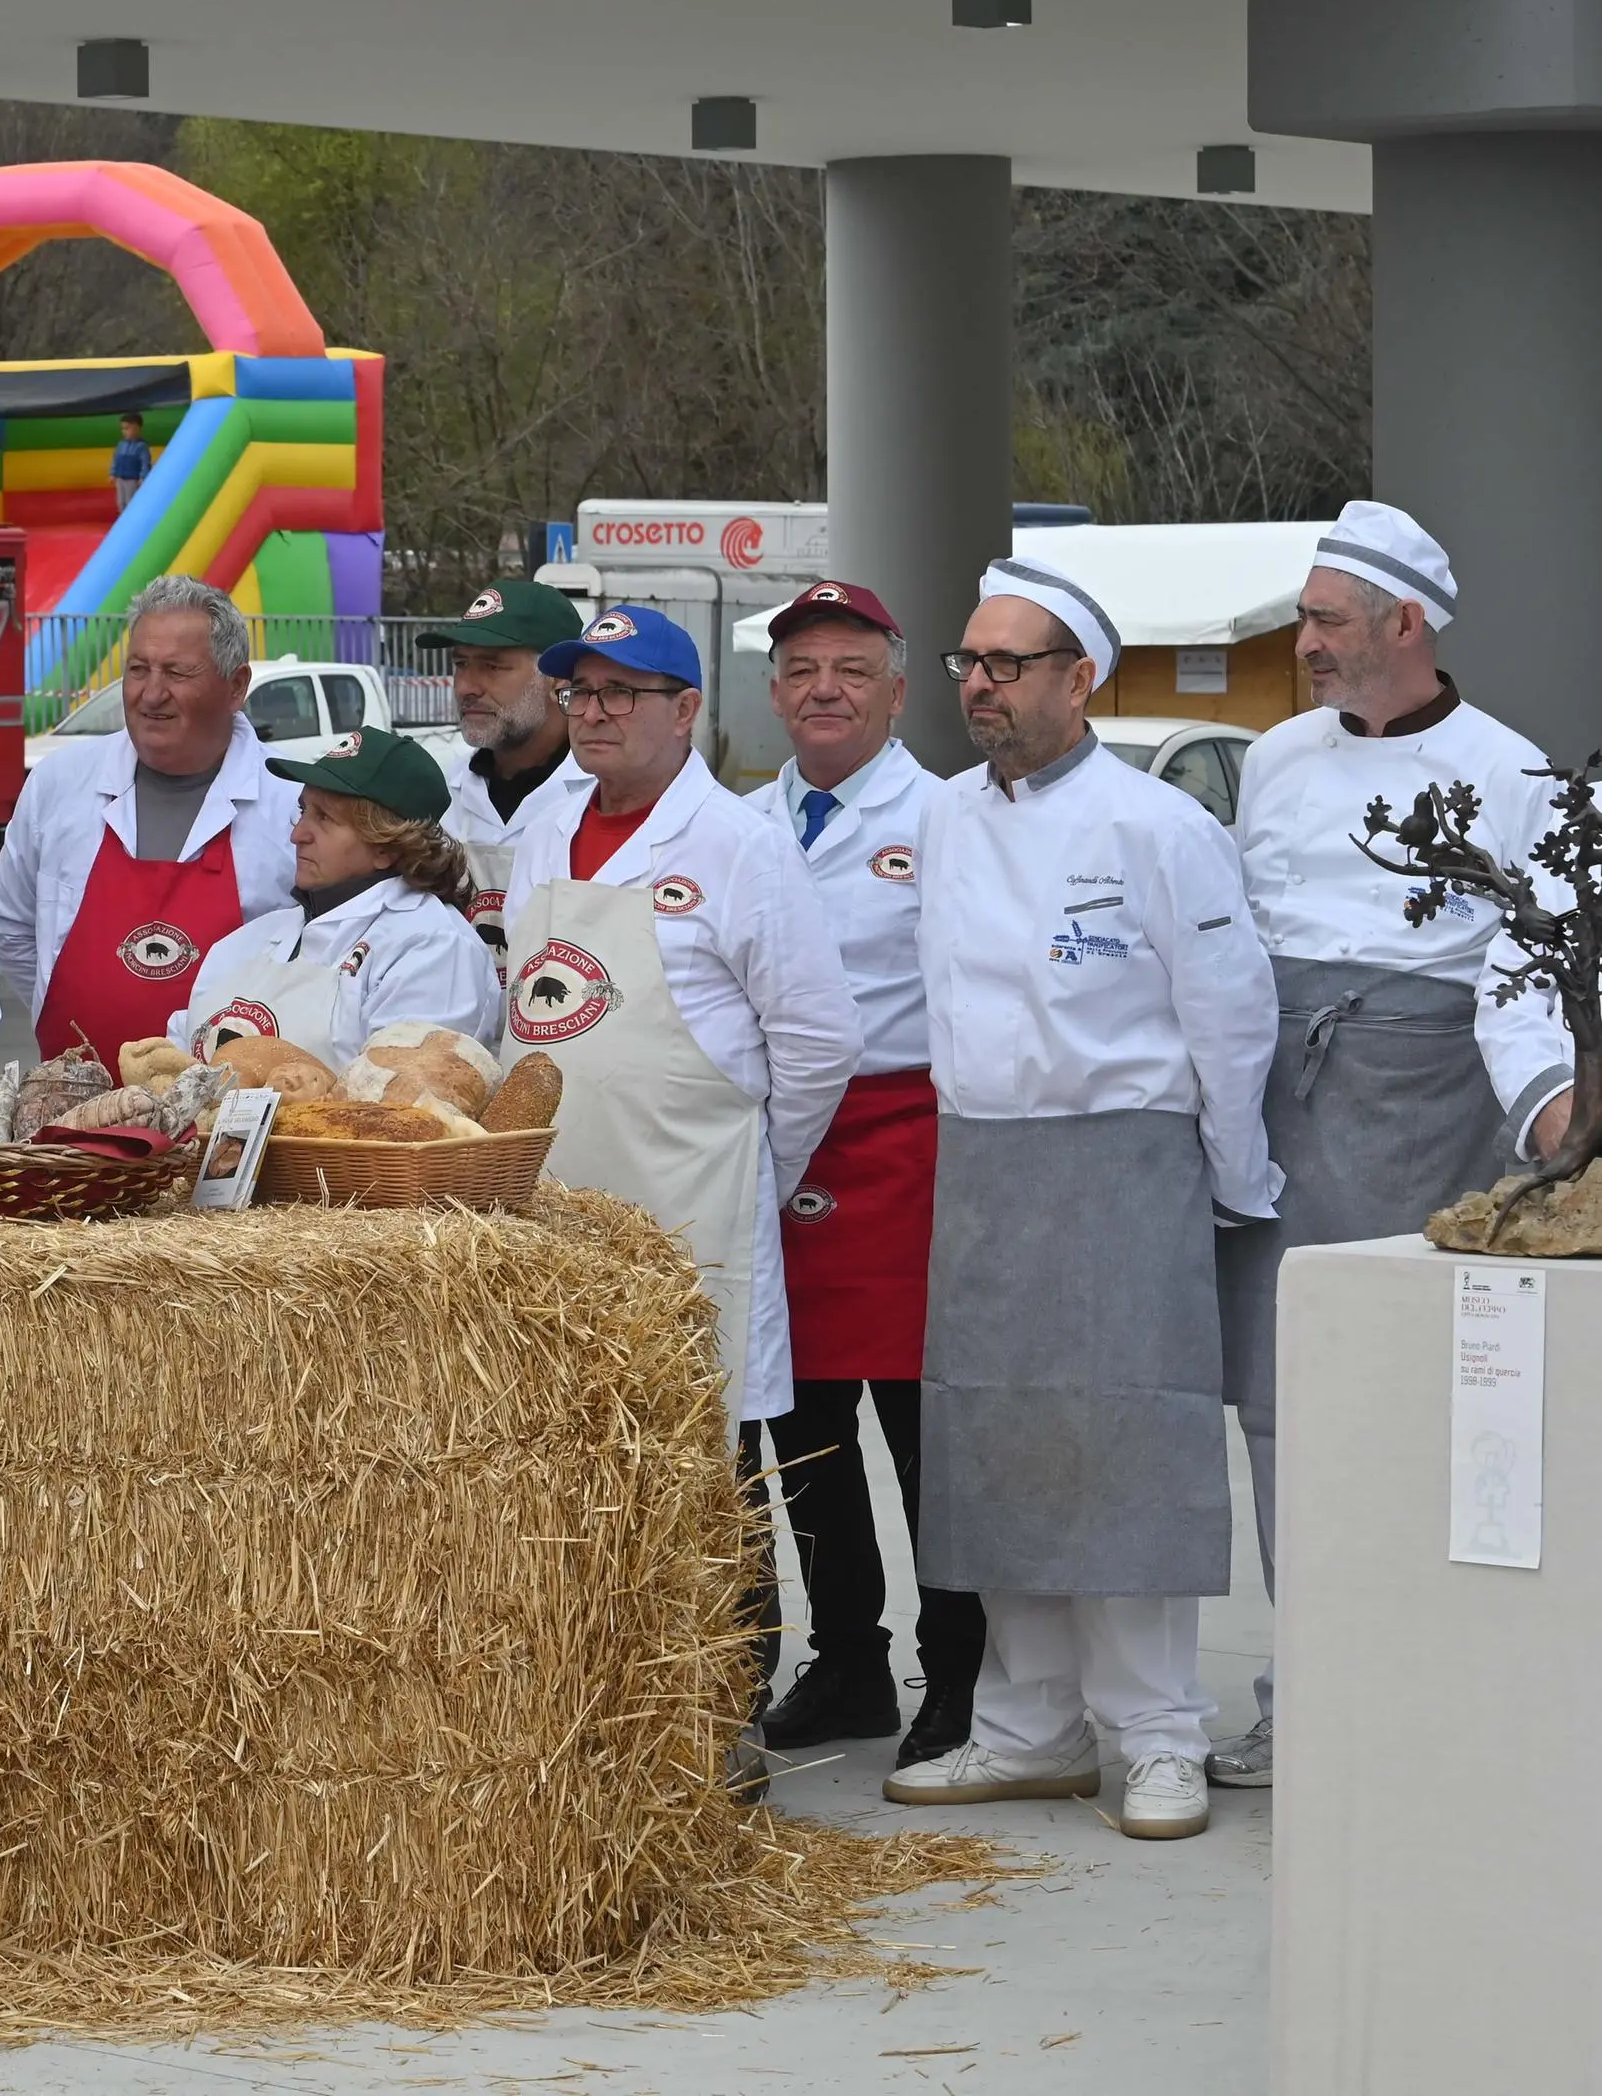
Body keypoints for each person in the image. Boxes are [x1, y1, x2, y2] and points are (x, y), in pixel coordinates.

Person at [891, 559, 1279, 1846]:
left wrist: (1232, 1175)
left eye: (1008, 665)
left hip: (1126, 1158)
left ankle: (1158, 1737)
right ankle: (1027, 1730)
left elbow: (1231, 1018)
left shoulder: (1158, 826)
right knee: (1003, 1452)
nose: (980, 688)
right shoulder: (946, 815)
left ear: (1080, 678)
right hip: (986, 1159)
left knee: (1131, 1452)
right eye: (968, 663)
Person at [1212, 502, 1565, 1792]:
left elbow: (1527, 982)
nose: (1302, 643)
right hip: (1277, 1107)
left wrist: (1549, 1113)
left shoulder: (1519, 775)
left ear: (1404, 625)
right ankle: (1297, 1692)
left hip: (1429, 1107)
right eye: (1305, 618)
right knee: (1273, 1405)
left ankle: (1429, 1693)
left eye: (1324, 621)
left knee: (1426, 1405)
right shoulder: (1278, 759)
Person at [496, 603, 860, 1780]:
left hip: (691, 1198)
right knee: (569, 1452)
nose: (593, 715)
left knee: (705, 1464)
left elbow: (816, 1038)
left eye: (621, 693)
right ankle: (583, 1704)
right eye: (580, 693)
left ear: (687, 710)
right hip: (560, 1195)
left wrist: (757, 1168)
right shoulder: (544, 823)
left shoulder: (738, 845)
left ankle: (720, 1711)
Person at [745, 583, 985, 1767]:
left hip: (902, 1138)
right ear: (773, 692)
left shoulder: (947, 820)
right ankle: (846, 1663)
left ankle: (958, 1678)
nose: (823, 689)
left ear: (896, 690)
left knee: (924, 1435)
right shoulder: (742, 823)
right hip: (775, 1143)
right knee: (803, 1431)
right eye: (800, 670)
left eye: (849, 668)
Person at [0, 576, 300, 1073]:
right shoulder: (59, 783)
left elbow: (322, 962)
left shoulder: (293, 800)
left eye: (178, 672)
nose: (151, 694)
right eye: (138, 670)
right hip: (72, 1109)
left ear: (236, 686)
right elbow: (9, 928)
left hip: (223, 1114)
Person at [171, 727, 496, 1064]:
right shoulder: (252, 940)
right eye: (303, 811)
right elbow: (176, 1057)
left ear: (387, 845)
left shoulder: (433, 948)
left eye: (324, 818)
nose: (297, 835)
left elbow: (398, 1098)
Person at [424, 579, 596, 978]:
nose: (466, 687)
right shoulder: (436, 801)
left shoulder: (600, 799)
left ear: (559, 680)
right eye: (461, 664)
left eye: (493, 665)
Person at [110, 413, 154, 513]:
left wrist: (143, 477)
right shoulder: (121, 444)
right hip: (121, 477)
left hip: (133, 479)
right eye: (123, 429)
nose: (124, 432)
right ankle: (123, 520)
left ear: (138, 428)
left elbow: (145, 463)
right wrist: (113, 473)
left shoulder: (141, 446)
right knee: (121, 502)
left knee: (132, 502)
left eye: (128, 428)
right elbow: (116, 459)